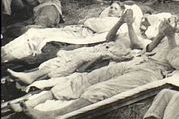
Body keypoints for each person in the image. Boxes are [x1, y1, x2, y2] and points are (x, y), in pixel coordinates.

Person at [17, 10, 179, 119]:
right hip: (139, 61)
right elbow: (149, 49)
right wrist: (161, 35)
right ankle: (41, 99)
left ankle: (52, 116)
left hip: (152, 73)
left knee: (103, 89)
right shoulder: (172, 34)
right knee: (92, 77)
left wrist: (171, 38)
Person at [7, 9, 141, 85]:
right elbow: (108, 38)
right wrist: (121, 21)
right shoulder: (122, 29)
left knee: (78, 58)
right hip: (105, 47)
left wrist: (129, 25)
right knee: (65, 56)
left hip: (115, 53)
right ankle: (30, 75)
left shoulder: (138, 35)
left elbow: (135, 44)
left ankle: (31, 76)